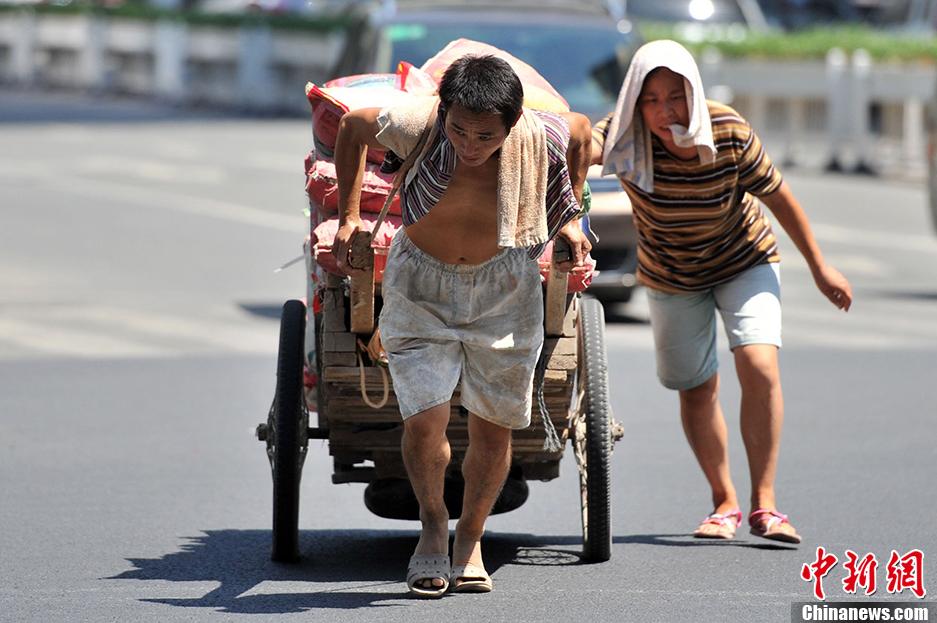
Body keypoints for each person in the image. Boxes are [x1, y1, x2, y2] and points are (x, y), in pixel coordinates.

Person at [332, 54, 592, 596]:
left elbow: (583, 131)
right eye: (459, 129)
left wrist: (569, 218)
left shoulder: (540, 136)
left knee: (493, 428)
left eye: (486, 135)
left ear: (513, 123)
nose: (470, 145)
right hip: (420, 285)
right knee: (424, 422)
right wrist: (352, 213)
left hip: (506, 284)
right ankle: (432, 528)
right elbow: (353, 126)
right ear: (443, 111)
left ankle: (470, 537)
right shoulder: (419, 123)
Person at [593, 40, 852, 544]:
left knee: (758, 365)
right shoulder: (623, 137)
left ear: (694, 92)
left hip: (744, 260)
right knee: (696, 386)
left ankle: (766, 504)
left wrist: (821, 267)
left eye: (676, 96)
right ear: (633, 104)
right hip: (670, 273)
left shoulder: (729, 131)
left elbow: (779, 195)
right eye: (651, 100)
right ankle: (723, 501)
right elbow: (573, 151)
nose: (665, 112)